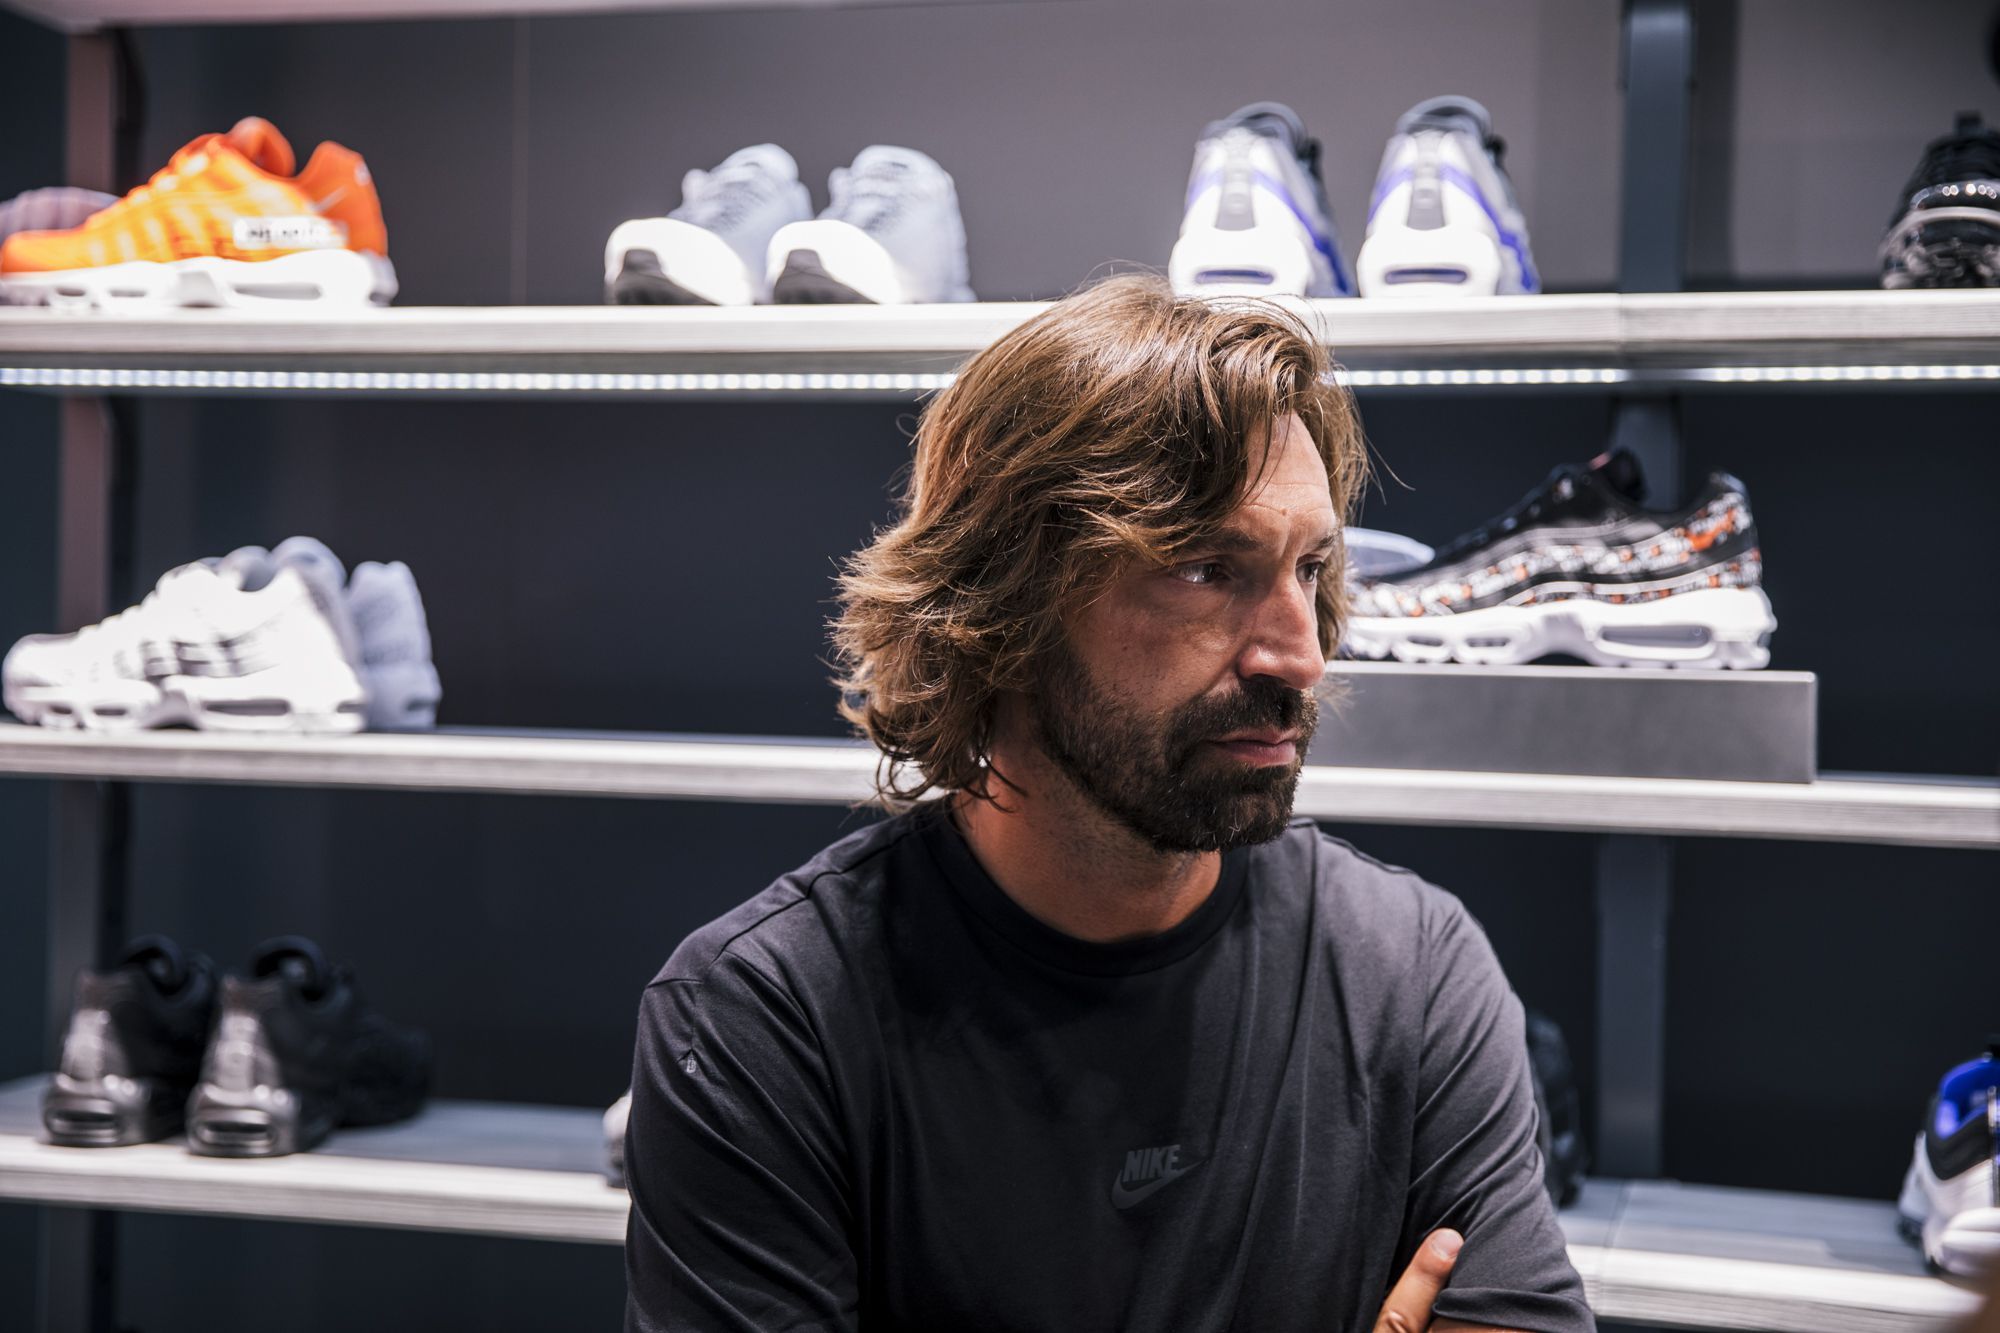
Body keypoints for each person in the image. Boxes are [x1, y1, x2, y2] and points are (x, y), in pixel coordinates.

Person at [624, 276, 1593, 1333]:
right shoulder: (763, 1021)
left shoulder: (1412, 968)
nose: (1300, 655)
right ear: (1004, 606)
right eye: (1205, 568)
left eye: (1310, 568)